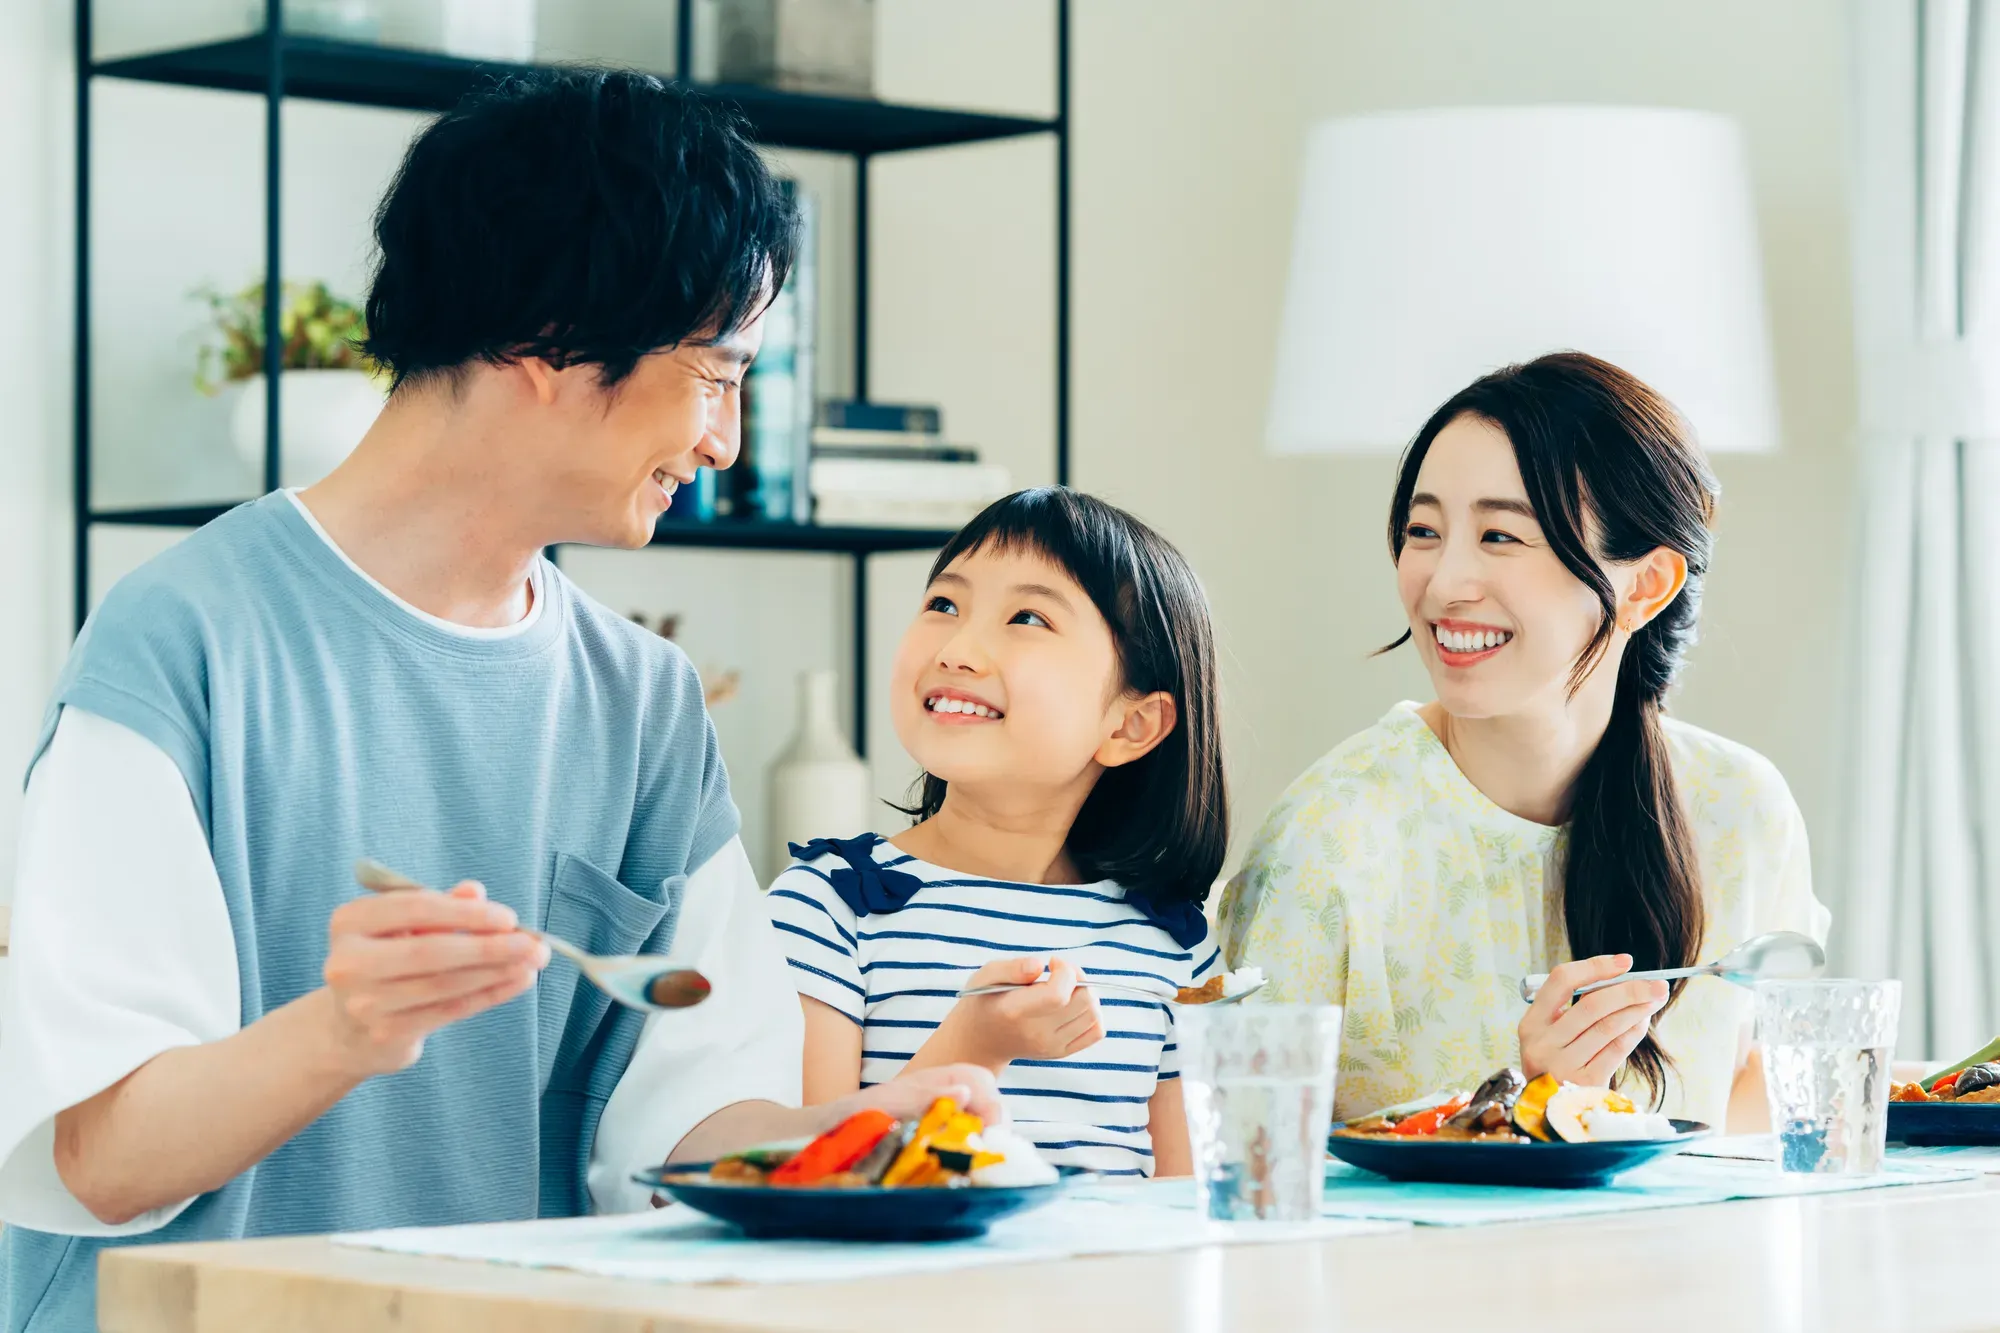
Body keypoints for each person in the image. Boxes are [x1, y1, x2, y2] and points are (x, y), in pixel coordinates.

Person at [0, 70, 995, 1333]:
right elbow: (95, 1152)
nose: (724, 442)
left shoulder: (642, 701)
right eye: (713, 373)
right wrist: (344, 1029)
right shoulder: (182, 644)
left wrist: (842, 1138)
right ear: (547, 339)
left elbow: (685, 1124)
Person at [1217, 352, 1829, 1128]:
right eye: (1424, 530)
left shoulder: (1741, 810)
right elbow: (1243, 1159)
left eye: (1501, 535)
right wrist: (1526, 1106)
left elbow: (1750, 1084)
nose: (1443, 583)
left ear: (1644, 585)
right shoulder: (1329, 843)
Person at [767, 489, 1228, 1177]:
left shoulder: (1174, 946)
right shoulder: (828, 907)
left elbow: (1190, 1210)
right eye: (944, 604)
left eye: (1027, 617)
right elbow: (802, 1187)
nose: (958, 648)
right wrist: (974, 1043)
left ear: (1130, 725)